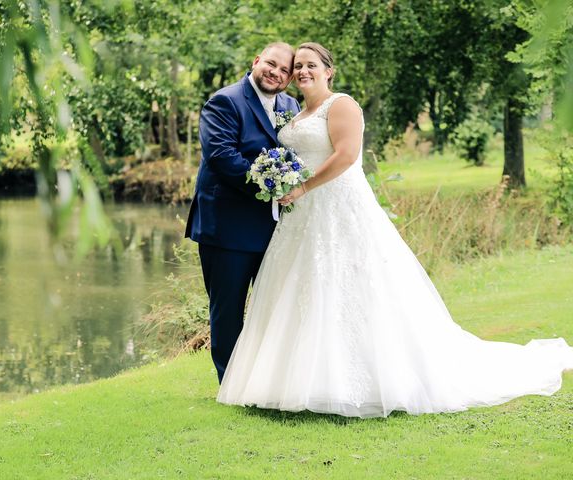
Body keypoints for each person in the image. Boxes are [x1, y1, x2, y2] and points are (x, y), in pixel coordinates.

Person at [217, 42, 573, 417]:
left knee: (354, 288)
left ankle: (371, 380)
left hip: (338, 207)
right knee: (303, 288)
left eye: (310, 65)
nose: (303, 71)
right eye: (298, 67)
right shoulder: (292, 113)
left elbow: (346, 156)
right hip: (301, 215)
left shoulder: (341, 105)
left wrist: (302, 186)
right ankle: (294, 382)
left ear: (328, 70)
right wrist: (281, 182)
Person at [185, 42, 301, 383]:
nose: (275, 73)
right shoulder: (224, 101)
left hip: (274, 228)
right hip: (227, 228)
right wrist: (274, 186)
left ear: (290, 79)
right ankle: (231, 385)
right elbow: (222, 157)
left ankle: (267, 382)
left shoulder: (290, 105)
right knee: (228, 312)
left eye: (284, 71)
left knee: (273, 307)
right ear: (256, 61)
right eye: (271, 64)